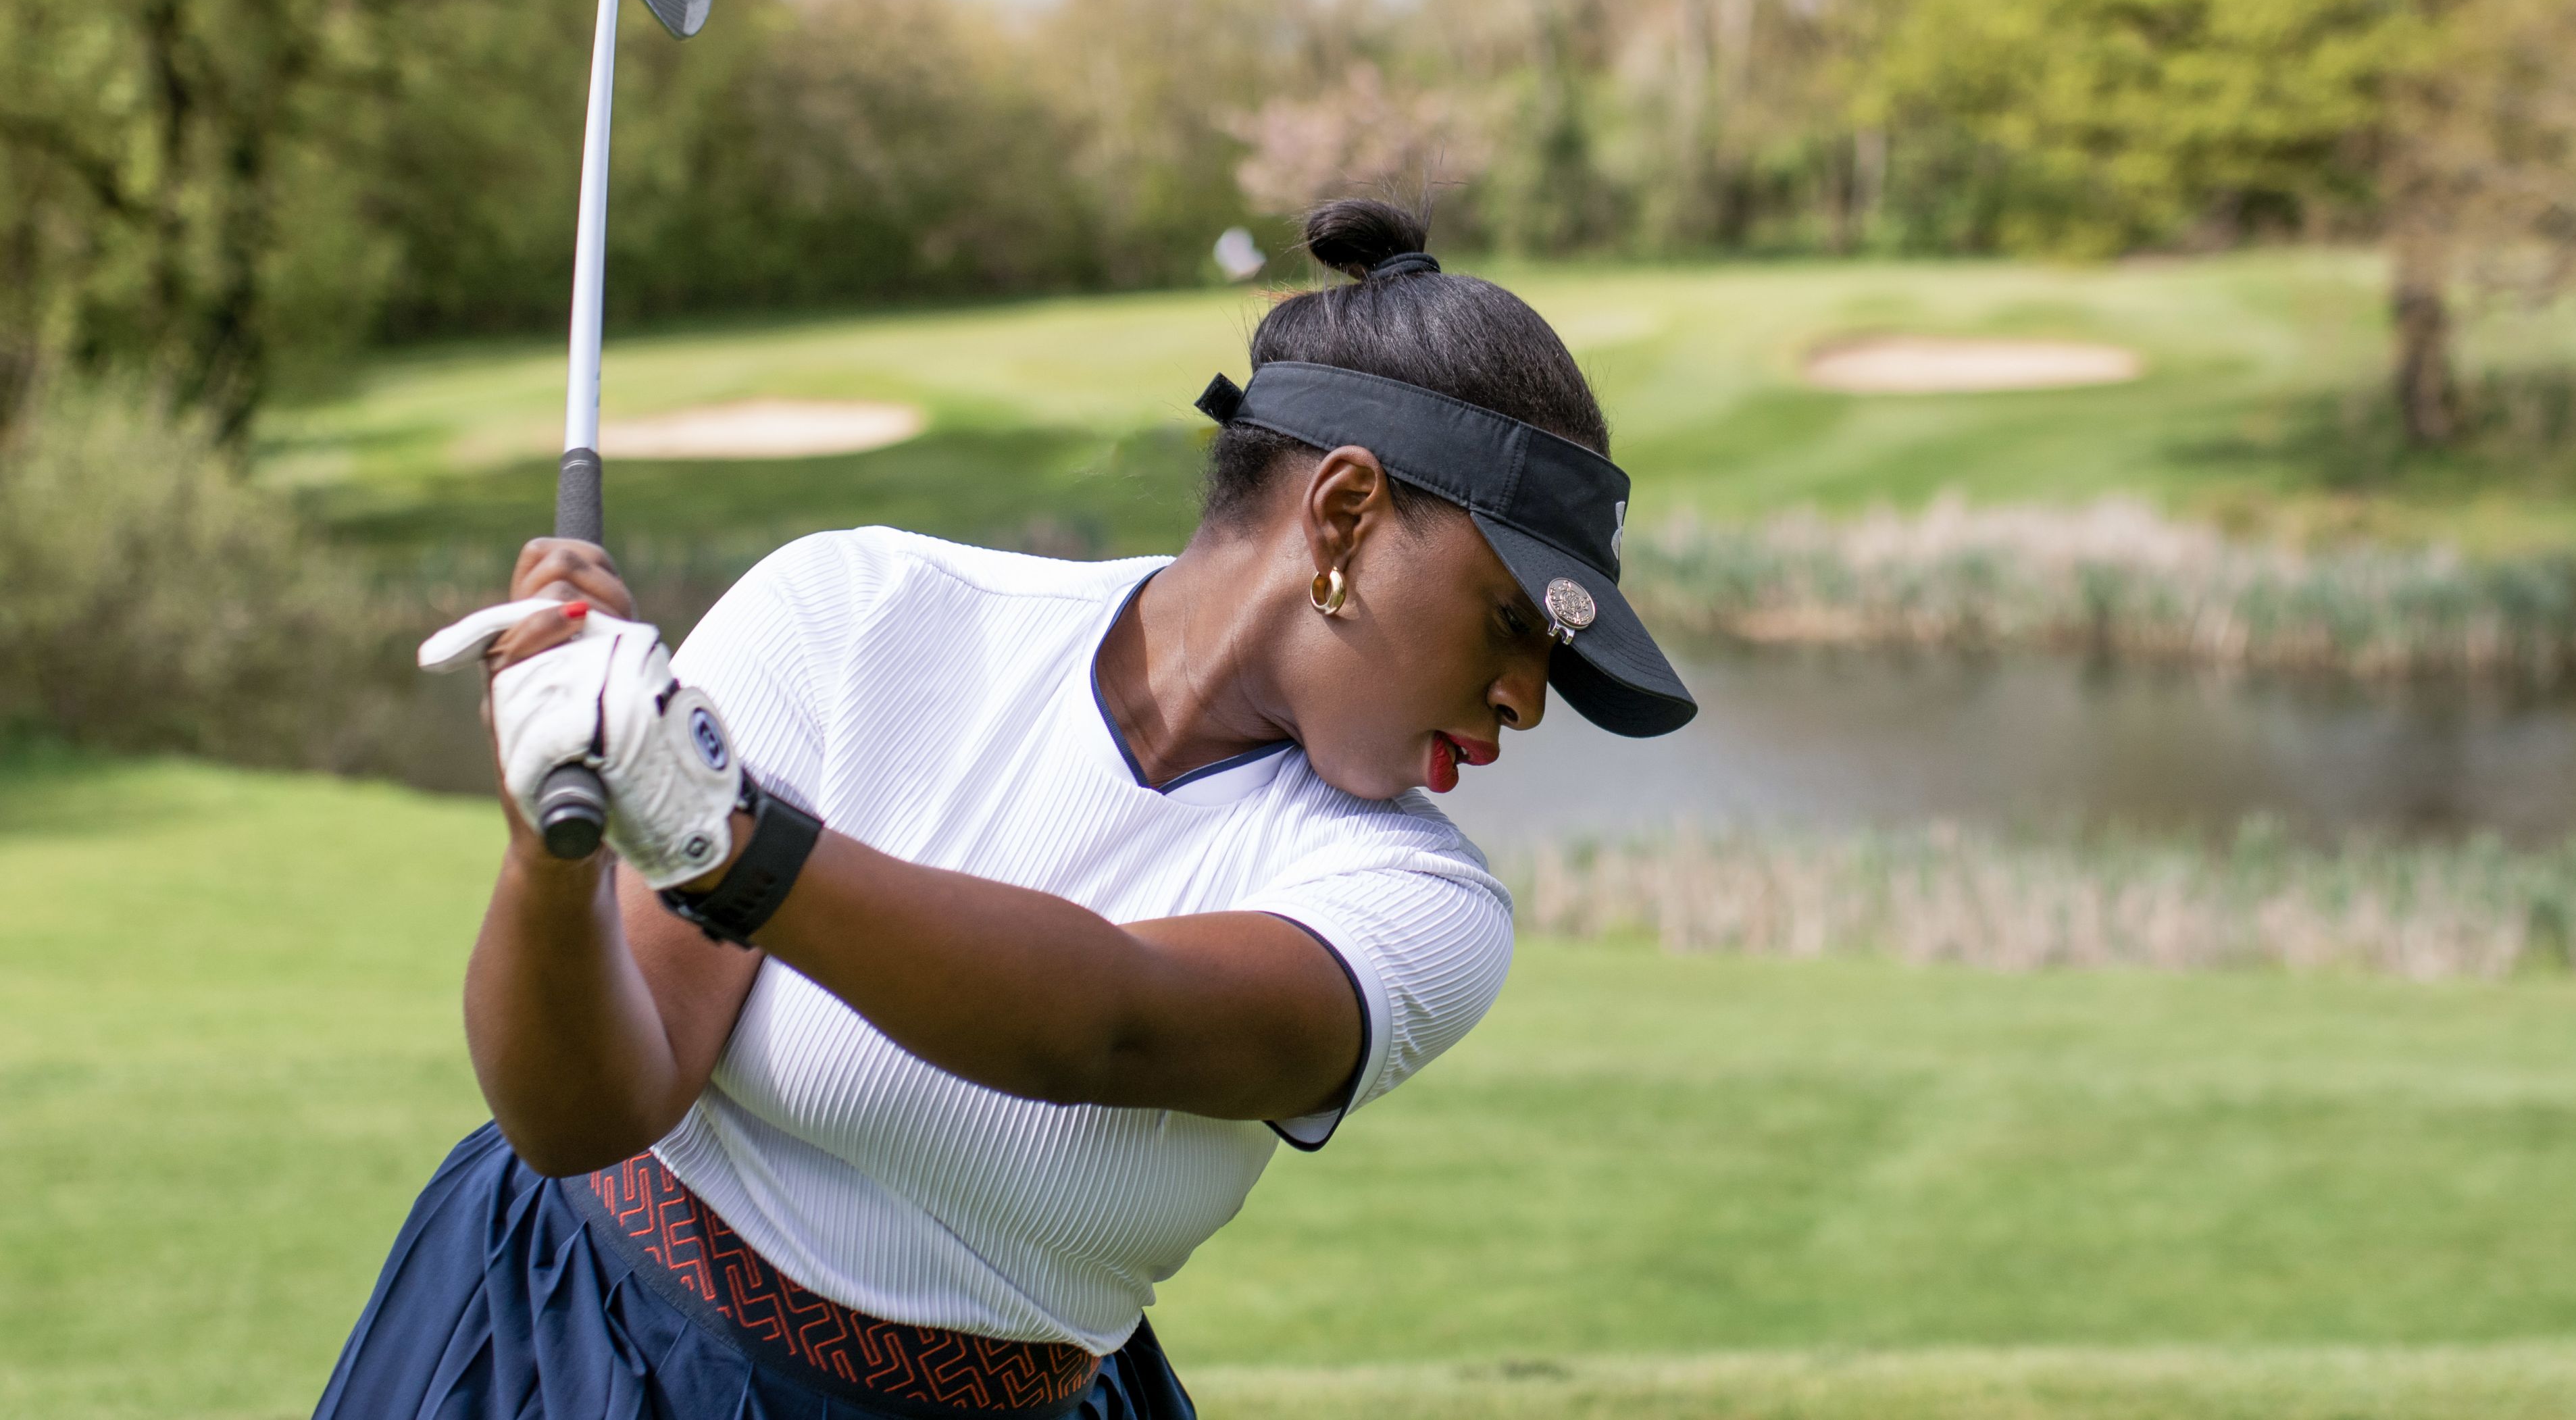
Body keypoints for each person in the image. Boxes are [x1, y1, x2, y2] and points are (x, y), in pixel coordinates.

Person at [316, 198, 1698, 1420]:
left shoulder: (1425, 908)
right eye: (1511, 625)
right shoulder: (855, 614)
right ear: (1340, 516)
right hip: (570, 1345)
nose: (1525, 700)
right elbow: (581, 1118)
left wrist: (718, 835)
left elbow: (1109, 1020)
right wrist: (551, 841)